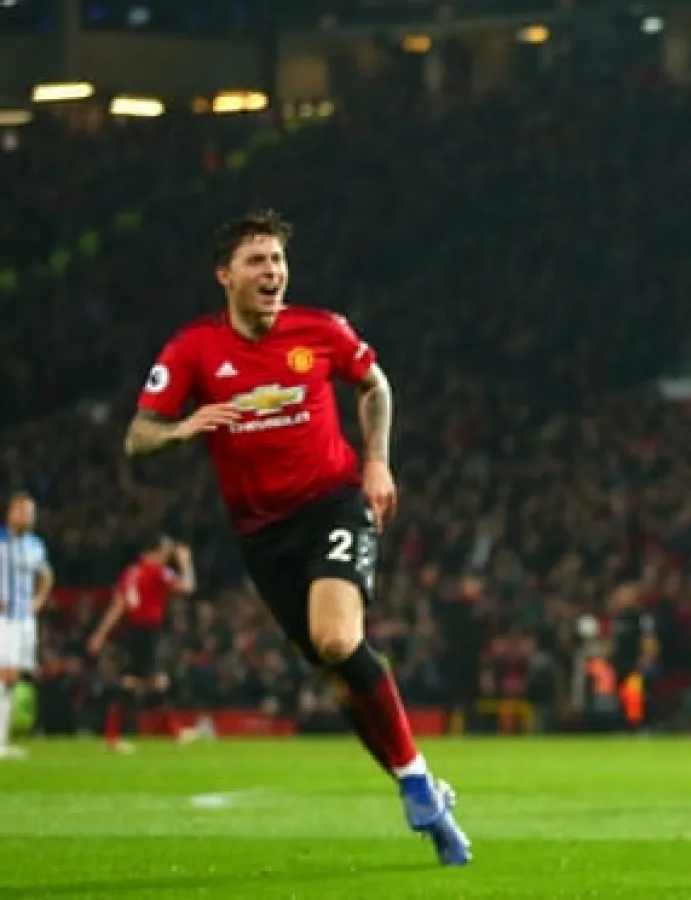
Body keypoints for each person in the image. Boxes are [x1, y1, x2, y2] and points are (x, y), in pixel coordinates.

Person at [122, 210, 470, 865]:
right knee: (338, 674)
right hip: (260, 534)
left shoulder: (321, 329)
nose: (272, 271)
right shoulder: (193, 348)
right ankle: (419, 783)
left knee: (338, 638)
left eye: (278, 259)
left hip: (333, 503)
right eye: (257, 261)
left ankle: (419, 784)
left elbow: (375, 385)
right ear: (225, 275)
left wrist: (376, 460)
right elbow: (138, 436)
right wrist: (182, 428)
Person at [87, 536, 198, 751]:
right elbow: (187, 587)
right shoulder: (156, 571)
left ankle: (169, 732)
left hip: (129, 632)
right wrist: (186, 562)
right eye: (165, 552)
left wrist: (100, 634)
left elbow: (118, 606)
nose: (167, 556)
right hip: (147, 633)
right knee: (147, 683)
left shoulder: (131, 572)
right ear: (153, 552)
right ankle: (117, 738)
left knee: (140, 682)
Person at [0, 492, 53, 760]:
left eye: (31, 512)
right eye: (23, 511)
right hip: (3, 619)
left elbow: (46, 574)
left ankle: (3, 738)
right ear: (11, 513)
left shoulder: (35, 545)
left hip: (24, 619)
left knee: (12, 678)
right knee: (3, 674)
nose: (28, 517)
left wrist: (38, 600)